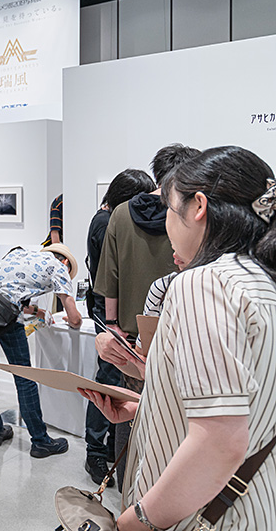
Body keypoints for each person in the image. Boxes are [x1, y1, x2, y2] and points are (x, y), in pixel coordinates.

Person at [81, 146, 276, 531]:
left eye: (170, 208)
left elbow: (219, 442)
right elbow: (251, 407)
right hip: (256, 504)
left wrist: (134, 522)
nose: (167, 221)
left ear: (198, 206)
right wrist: (148, 407)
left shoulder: (205, 282)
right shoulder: (261, 280)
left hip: (203, 516)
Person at [93, 144, 199, 488]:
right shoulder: (191, 218)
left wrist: (111, 325)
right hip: (180, 338)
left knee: (131, 419)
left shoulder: (121, 213)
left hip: (129, 339)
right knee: (173, 429)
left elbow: (108, 276)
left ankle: (128, 487)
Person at [0, 243, 82, 457]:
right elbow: (76, 318)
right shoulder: (59, 267)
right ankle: (40, 440)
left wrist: (37, 311)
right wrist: (72, 320)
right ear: (66, 262)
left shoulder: (21, 255)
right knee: (24, 376)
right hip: (4, 315)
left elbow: (11, 290)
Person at [83, 169, 155, 484]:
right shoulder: (106, 223)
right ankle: (95, 452)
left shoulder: (109, 220)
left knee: (117, 381)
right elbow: (108, 278)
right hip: (107, 313)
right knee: (108, 381)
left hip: (114, 313)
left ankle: (110, 448)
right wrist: (112, 323)